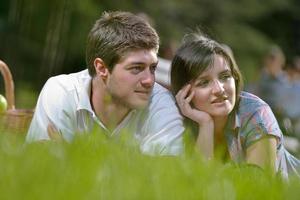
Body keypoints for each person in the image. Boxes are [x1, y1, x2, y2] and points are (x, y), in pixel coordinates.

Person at [26, 11, 184, 155]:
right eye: (136, 68)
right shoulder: (61, 91)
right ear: (102, 68)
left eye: (153, 68)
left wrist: (71, 155)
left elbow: (166, 175)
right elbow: (42, 166)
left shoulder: (161, 102)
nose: (149, 80)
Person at [170, 32, 300, 178]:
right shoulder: (177, 122)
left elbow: (257, 188)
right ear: (184, 92)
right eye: (204, 82)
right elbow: (197, 184)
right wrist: (205, 124)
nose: (219, 89)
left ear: (235, 77)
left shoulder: (255, 112)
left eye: (225, 76)